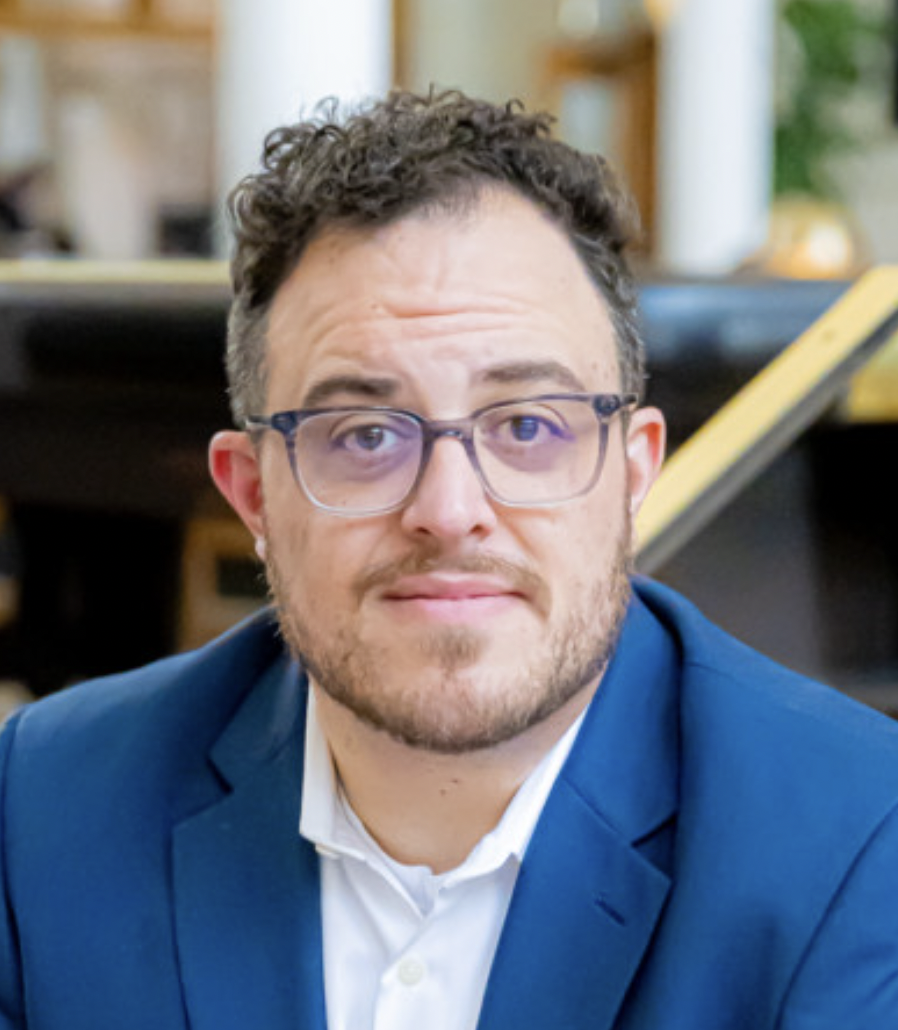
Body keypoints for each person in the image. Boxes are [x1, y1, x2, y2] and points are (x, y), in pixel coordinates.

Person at [2, 90, 898, 1030]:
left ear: (632, 473)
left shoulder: (857, 844)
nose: (448, 512)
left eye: (527, 426)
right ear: (253, 494)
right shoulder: (46, 809)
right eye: (364, 435)